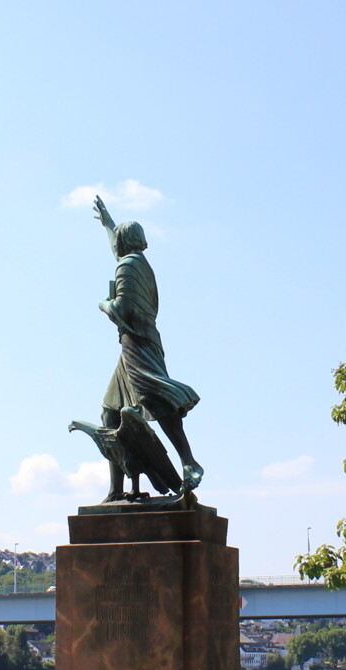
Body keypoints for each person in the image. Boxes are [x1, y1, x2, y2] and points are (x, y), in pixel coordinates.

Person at [93, 195, 203, 493]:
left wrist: (103, 304)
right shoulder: (137, 262)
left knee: (154, 396)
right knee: (110, 412)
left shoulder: (129, 266)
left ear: (124, 242)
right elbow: (118, 250)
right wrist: (108, 223)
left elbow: (123, 310)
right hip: (135, 343)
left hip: (137, 342)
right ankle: (116, 490)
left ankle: (189, 461)